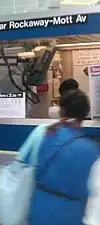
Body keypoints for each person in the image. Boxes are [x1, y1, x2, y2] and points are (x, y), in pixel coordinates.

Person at [23, 89, 100, 225]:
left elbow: (29, 166)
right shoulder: (91, 149)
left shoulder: (45, 134)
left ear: (61, 111)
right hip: (70, 215)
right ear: (86, 112)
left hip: (39, 211)